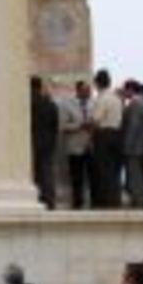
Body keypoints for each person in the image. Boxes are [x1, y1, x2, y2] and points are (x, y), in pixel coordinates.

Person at [91, 69, 125, 208]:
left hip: (104, 135)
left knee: (104, 170)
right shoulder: (117, 98)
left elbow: (96, 119)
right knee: (115, 170)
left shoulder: (102, 98)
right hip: (117, 135)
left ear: (97, 83)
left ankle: (106, 201)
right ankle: (115, 199)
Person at [61, 80, 94, 209]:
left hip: (90, 146)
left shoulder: (93, 104)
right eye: (85, 90)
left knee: (92, 176)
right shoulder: (67, 105)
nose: (88, 93)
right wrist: (79, 125)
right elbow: (63, 126)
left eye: (89, 90)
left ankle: (92, 202)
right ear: (78, 91)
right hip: (75, 147)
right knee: (77, 177)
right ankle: (77, 202)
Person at [122, 80, 143, 208]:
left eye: (125, 90)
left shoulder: (135, 104)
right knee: (138, 173)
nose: (124, 93)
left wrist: (127, 144)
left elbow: (134, 126)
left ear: (130, 89)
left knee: (135, 174)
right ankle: (140, 198)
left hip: (135, 146)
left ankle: (139, 199)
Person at [30, 76, 60, 210]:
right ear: (40, 87)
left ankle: (35, 199)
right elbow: (55, 126)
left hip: (31, 142)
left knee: (33, 173)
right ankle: (49, 201)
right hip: (48, 142)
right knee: (47, 172)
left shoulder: (26, 104)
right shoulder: (50, 104)